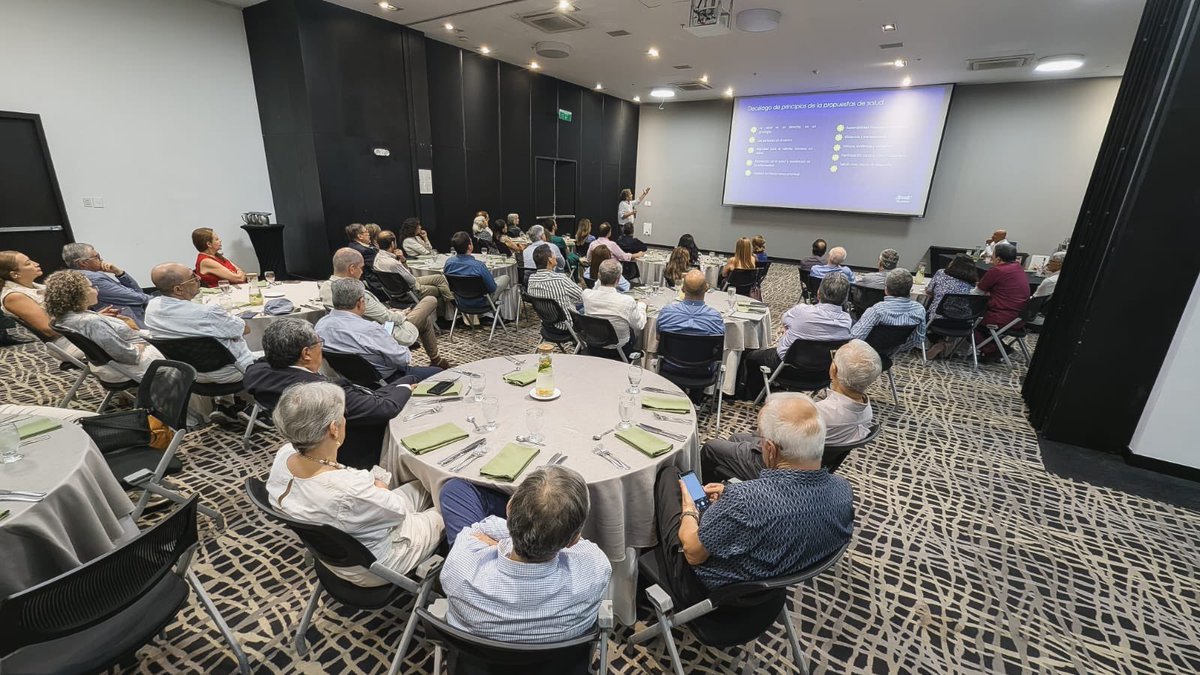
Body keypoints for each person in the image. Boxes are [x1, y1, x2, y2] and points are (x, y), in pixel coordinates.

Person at [653, 393, 853, 610]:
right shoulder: (843, 491)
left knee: (669, 475)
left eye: (760, 438)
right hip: (770, 591)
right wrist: (729, 494)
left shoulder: (745, 501)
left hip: (711, 592)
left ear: (770, 449)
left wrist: (689, 507)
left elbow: (693, 553)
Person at [266, 382, 443, 586]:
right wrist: (378, 485)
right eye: (343, 415)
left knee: (422, 486)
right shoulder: (347, 489)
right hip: (378, 564)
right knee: (448, 502)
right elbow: (399, 511)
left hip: (339, 550)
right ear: (334, 429)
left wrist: (376, 486)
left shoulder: (284, 454)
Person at [437, 466, 611, 643]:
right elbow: (581, 546)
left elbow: (479, 529)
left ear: (509, 508)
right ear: (573, 540)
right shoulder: (597, 568)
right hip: (560, 664)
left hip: (475, 664)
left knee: (454, 490)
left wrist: (501, 544)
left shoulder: (459, 567)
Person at [244, 319, 415, 468]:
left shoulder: (256, 374)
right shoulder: (327, 393)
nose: (322, 348)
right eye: (319, 343)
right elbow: (385, 408)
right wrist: (405, 388)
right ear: (306, 353)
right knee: (410, 382)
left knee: (404, 380)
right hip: (358, 447)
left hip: (308, 440)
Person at [702, 343, 881, 482]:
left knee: (711, 447)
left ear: (834, 369)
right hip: (813, 464)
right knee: (736, 439)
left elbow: (766, 431)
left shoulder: (816, 414)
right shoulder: (866, 411)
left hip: (779, 464)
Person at [321, 248, 449, 369]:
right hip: (381, 333)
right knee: (430, 300)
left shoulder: (325, 288)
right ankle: (436, 360)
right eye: (361, 268)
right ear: (352, 269)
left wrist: (389, 312)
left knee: (424, 320)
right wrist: (402, 314)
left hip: (353, 336)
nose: (362, 272)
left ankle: (436, 359)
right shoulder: (358, 294)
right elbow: (387, 318)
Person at [740, 273, 851, 401]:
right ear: (845, 299)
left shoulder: (802, 311)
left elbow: (785, 320)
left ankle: (754, 395)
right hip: (822, 375)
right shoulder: (847, 322)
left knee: (750, 356)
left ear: (819, 293)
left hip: (787, 369)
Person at [43, 269, 164, 383]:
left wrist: (103, 318)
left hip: (107, 366)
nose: (97, 290)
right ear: (78, 293)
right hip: (131, 367)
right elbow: (128, 355)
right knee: (176, 348)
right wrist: (141, 345)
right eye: (92, 287)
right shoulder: (92, 322)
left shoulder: (65, 317)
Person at [145, 262, 258, 382]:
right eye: (193, 277)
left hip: (189, 374)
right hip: (232, 371)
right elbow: (245, 329)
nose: (199, 278)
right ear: (178, 289)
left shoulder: (151, 308)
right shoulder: (207, 312)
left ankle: (226, 399)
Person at [316, 278, 442, 382]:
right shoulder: (371, 329)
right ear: (360, 302)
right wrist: (391, 340)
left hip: (350, 381)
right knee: (440, 374)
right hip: (387, 380)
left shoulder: (320, 326)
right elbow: (403, 359)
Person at [0, 250, 85, 360]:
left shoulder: (35, 287)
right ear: (14, 274)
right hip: (70, 342)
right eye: (28, 263)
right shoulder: (14, 297)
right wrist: (86, 322)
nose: (36, 263)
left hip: (77, 336)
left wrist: (89, 316)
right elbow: (49, 329)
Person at [61, 242, 151, 325]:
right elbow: (138, 298)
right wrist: (157, 300)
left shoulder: (90, 275)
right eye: (97, 257)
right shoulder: (93, 279)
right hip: (133, 324)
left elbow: (138, 293)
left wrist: (119, 273)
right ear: (83, 263)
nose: (101, 259)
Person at [850, 268, 927, 353]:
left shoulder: (877, 310)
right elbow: (917, 340)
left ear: (886, 289)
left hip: (866, 353)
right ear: (910, 289)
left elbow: (855, 338)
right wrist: (894, 350)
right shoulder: (919, 310)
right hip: (889, 353)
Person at [975, 243, 1029, 359]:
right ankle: (999, 347)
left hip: (1001, 317)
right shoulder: (1019, 268)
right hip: (1019, 318)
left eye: (993, 256)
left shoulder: (998, 270)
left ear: (998, 259)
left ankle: (993, 350)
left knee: (968, 321)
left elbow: (978, 293)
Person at [582, 259, 646, 356]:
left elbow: (596, 288)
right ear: (619, 279)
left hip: (593, 345)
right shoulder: (627, 301)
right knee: (632, 329)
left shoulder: (586, 295)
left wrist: (601, 278)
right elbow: (640, 325)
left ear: (598, 276)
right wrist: (642, 306)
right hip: (620, 349)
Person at [374, 230, 454, 306]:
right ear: (392, 243)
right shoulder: (392, 263)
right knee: (442, 289)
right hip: (411, 291)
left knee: (439, 278)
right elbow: (411, 280)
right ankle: (453, 306)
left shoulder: (377, 258)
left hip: (398, 289)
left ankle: (449, 307)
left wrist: (402, 259)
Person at [443, 231, 511, 320]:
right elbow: (492, 289)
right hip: (482, 302)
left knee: (493, 280)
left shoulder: (448, 263)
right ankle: (504, 315)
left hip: (460, 301)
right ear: (469, 246)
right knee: (505, 277)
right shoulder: (479, 266)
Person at [526, 245, 581, 333]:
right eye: (554, 254)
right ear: (550, 260)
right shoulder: (560, 279)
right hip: (567, 326)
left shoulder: (531, 279)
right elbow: (582, 297)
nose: (556, 256)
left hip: (547, 324)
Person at [656, 269, 724, 337]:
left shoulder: (666, 313)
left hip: (672, 347)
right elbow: (719, 343)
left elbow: (658, 337)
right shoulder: (715, 318)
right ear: (706, 288)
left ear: (682, 289)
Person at [924, 254, 979, 320]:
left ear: (953, 264)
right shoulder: (972, 284)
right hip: (963, 322)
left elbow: (929, 291)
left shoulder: (941, 273)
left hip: (937, 319)